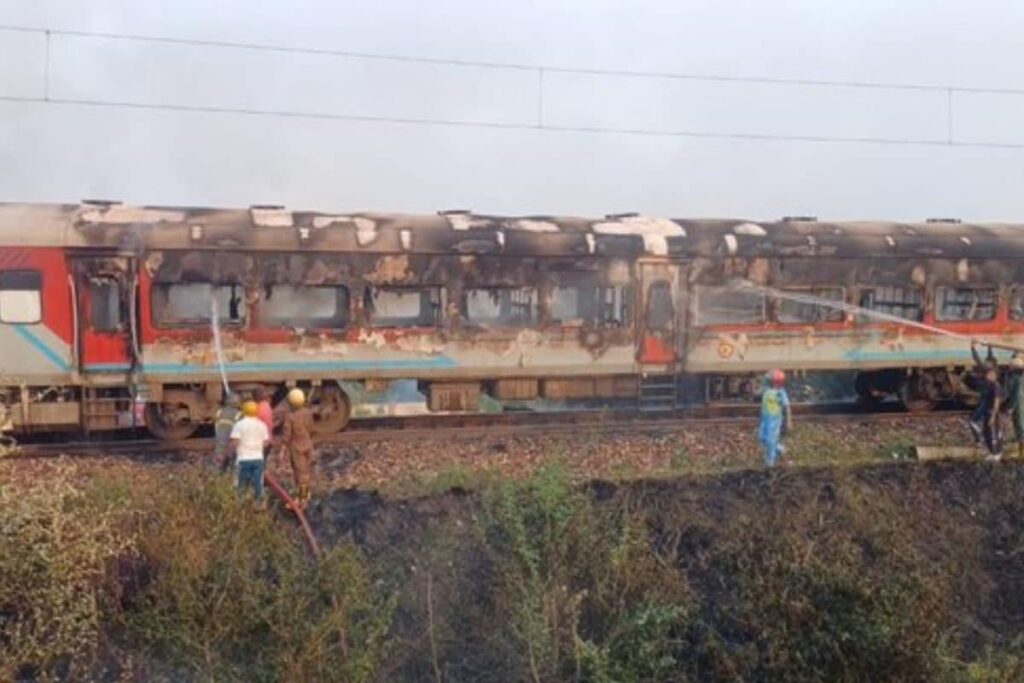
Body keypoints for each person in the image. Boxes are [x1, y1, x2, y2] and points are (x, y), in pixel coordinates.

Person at [280, 387, 315, 508]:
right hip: (308, 444)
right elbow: (311, 428)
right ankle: (303, 494)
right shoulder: (307, 412)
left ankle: (302, 500)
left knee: (300, 474)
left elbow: (286, 434)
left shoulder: (290, 416)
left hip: (296, 447)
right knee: (305, 471)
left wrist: (282, 450)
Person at [229, 400, 271, 499]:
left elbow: (235, 442)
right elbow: (265, 443)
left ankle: (241, 504)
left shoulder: (239, 425)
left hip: (243, 459)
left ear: (243, 411)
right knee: (257, 485)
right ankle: (258, 504)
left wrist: (230, 454)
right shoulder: (262, 425)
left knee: (241, 484)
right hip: (258, 459)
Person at [969, 341, 1003, 458]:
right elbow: (986, 359)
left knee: (990, 430)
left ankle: (994, 452)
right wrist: (989, 347)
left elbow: (978, 360)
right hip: (988, 404)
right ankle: (992, 451)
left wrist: (973, 348)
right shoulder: (994, 375)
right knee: (989, 429)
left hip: (987, 405)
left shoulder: (993, 382)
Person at [759, 369, 792, 467]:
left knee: (771, 440)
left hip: (775, 419)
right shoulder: (766, 390)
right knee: (762, 438)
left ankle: (770, 463)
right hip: (765, 419)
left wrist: (788, 421)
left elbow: (787, 407)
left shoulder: (781, 392)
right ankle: (780, 449)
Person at [213, 392, 242, 471]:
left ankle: (218, 479)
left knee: (218, 463)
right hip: (231, 442)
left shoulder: (219, 412)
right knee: (234, 463)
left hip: (220, 441)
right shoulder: (238, 414)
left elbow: (216, 426)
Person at [1003, 353, 1024, 458]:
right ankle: (1020, 449)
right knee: (1018, 425)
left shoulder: (1017, 378)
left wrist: (1011, 407)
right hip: (1019, 403)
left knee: (1019, 425)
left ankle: (1021, 452)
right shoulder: (1018, 376)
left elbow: (1016, 394)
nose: (1009, 366)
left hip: (1018, 404)